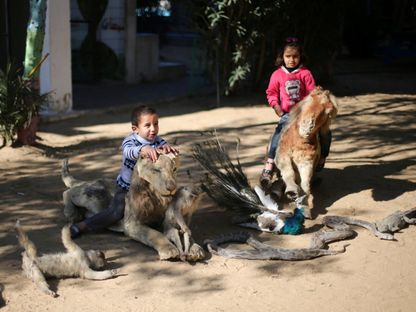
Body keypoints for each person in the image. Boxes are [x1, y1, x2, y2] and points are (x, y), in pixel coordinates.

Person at [70, 105, 178, 238]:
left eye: (156, 124)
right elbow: (128, 151)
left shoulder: (158, 140)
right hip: (127, 188)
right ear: (135, 129)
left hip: (150, 190)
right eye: (148, 125)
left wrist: (166, 148)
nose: (153, 129)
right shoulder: (130, 141)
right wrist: (141, 149)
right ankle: (83, 226)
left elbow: (163, 152)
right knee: (116, 212)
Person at [259, 37, 331, 186]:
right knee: (278, 134)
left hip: (304, 114)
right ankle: (270, 164)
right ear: (282, 57)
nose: (292, 60)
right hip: (288, 115)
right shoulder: (277, 75)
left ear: (300, 56)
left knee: (326, 132)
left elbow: (313, 94)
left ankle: (322, 158)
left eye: (295, 56)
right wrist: (277, 107)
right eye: (288, 56)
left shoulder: (305, 73)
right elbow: (271, 93)